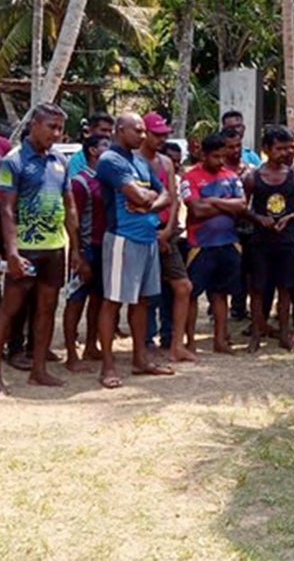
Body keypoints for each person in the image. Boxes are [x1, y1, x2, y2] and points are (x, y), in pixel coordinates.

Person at [0, 103, 83, 394]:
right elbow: (5, 209)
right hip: (26, 249)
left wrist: (75, 248)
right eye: (51, 127)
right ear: (34, 125)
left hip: (55, 249)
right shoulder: (12, 162)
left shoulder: (60, 161)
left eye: (60, 128)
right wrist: (12, 253)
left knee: (47, 308)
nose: (56, 133)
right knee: (9, 308)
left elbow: (69, 206)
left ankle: (38, 370)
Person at [96, 113, 173, 388]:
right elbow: (140, 195)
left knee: (142, 301)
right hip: (122, 238)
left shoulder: (140, 161)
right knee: (113, 301)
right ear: (119, 130)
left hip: (147, 238)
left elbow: (166, 196)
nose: (142, 136)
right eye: (137, 131)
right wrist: (148, 199)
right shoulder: (110, 161)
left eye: (143, 131)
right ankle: (107, 366)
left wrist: (147, 204)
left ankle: (140, 359)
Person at [244, 126, 294, 352]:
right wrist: (258, 218)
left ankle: (283, 332)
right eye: (279, 149)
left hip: (287, 240)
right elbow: (242, 208)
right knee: (258, 289)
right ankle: (256, 333)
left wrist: (290, 217)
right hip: (260, 241)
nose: (284, 153)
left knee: (285, 288)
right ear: (266, 150)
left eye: (287, 148)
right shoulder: (253, 178)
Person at [139, 112, 196, 363]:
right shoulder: (132, 161)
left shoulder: (166, 162)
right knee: (143, 293)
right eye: (157, 134)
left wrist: (168, 230)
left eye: (165, 135)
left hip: (166, 231)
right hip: (140, 232)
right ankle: (143, 344)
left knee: (183, 286)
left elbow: (173, 199)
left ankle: (176, 344)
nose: (162, 139)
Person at [181, 134, 247, 353]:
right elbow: (196, 210)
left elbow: (242, 206)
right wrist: (227, 204)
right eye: (215, 156)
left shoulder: (231, 176)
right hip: (200, 244)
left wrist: (213, 201)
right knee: (192, 294)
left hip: (228, 243)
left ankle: (220, 340)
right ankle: (189, 341)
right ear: (204, 155)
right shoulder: (190, 177)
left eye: (223, 156)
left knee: (221, 293)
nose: (220, 161)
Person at [62, 134, 110, 373]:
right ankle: (71, 353)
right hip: (87, 246)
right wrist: (77, 252)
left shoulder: (107, 180)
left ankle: (92, 344)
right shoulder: (80, 183)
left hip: (106, 247)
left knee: (99, 299)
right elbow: (72, 220)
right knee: (76, 299)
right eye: (105, 145)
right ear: (93, 151)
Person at [222, 127, 255, 321]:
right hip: (226, 228)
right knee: (229, 270)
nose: (235, 150)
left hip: (250, 228)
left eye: (238, 146)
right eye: (230, 147)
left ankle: (241, 307)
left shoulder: (251, 170)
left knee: (248, 270)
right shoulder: (219, 172)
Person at [68, 111, 115, 176]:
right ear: (90, 130)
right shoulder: (77, 160)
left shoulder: (115, 157)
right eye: (103, 130)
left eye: (110, 131)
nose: (107, 135)